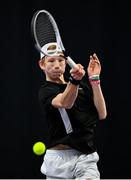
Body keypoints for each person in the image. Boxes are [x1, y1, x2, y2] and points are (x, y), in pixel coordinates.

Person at [38, 44, 107, 179]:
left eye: (61, 60)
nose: (57, 65)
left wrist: (94, 79)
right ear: (42, 64)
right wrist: (74, 81)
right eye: (51, 61)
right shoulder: (46, 91)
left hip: (86, 158)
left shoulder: (81, 86)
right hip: (57, 162)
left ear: (65, 62)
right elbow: (65, 103)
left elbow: (101, 113)